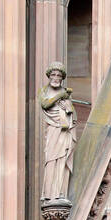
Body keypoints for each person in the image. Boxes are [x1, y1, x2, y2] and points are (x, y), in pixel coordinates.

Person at [38, 63, 76, 200]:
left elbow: (72, 114)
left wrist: (68, 108)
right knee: (51, 160)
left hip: (64, 132)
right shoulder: (45, 91)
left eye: (59, 75)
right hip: (53, 130)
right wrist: (61, 95)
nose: (55, 78)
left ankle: (60, 192)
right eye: (53, 74)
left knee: (62, 159)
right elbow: (44, 104)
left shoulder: (66, 94)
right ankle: (49, 194)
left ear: (62, 78)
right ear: (49, 76)